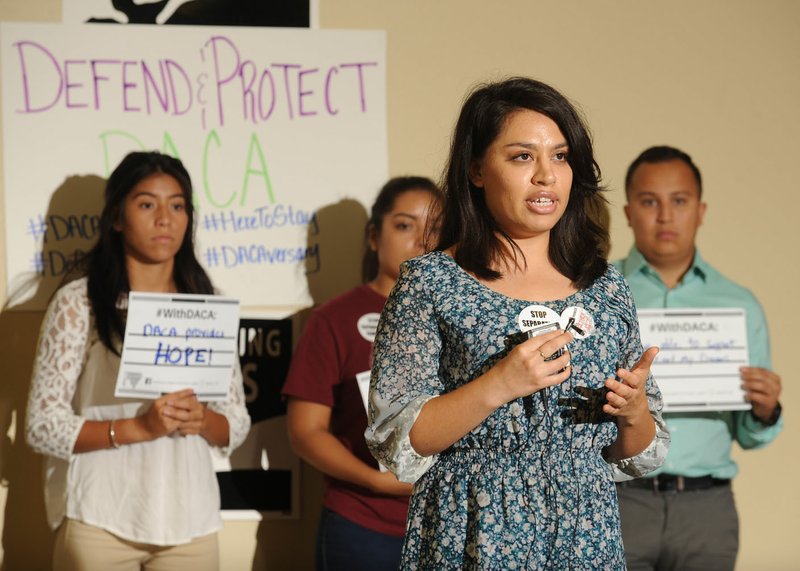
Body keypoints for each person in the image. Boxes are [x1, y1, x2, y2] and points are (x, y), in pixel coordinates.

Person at [365, 77, 670, 570]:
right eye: (523, 157)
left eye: (562, 156)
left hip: (585, 535)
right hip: (474, 530)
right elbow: (397, 440)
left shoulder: (607, 286)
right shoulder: (430, 282)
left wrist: (633, 411)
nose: (546, 175)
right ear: (477, 169)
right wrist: (500, 384)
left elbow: (634, 453)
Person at [25, 151, 251, 571]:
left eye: (178, 205)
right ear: (116, 218)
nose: (165, 218)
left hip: (192, 522)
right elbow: (41, 426)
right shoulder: (80, 303)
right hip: (101, 520)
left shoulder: (208, 304)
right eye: (147, 204)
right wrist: (137, 428)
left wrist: (201, 419)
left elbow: (234, 422)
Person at [614, 145, 783, 571]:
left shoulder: (740, 305)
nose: (665, 216)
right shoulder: (599, 294)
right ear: (629, 211)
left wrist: (765, 410)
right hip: (617, 500)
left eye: (680, 201)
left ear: (701, 210)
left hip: (707, 508)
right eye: (650, 201)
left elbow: (750, 435)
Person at [283, 177, 442, 571]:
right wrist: (375, 482)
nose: (422, 240)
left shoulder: (464, 316)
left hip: (447, 521)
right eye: (405, 225)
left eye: (436, 228)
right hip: (362, 526)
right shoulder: (333, 320)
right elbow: (306, 431)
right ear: (374, 236)